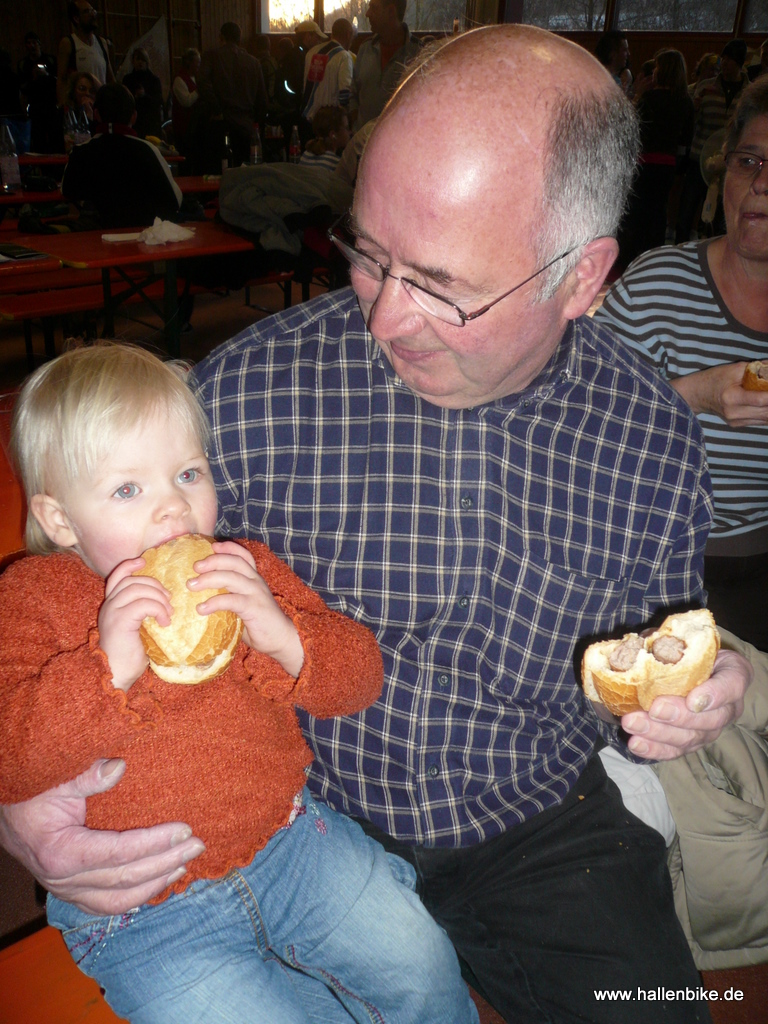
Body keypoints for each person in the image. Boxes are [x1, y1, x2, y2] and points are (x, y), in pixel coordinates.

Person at [0, 27, 753, 1024]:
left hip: (537, 828)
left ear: (581, 277)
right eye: (368, 253)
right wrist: (19, 804)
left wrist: (689, 693)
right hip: (293, 817)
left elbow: (649, 649)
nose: (386, 317)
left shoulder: (648, 438)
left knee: (655, 1006)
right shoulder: (246, 392)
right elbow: (63, 598)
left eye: (441, 286)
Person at [0, 342, 479, 1024]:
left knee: (421, 964)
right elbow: (10, 759)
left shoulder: (241, 568)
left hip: (293, 845)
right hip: (144, 915)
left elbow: (359, 681)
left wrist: (281, 635)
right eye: (129, 489)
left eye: (188, 473)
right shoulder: (30, 598)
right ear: (58, 519)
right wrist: (106, 668)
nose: (174, 508)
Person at [594, 76, 768, 653]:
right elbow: (576, 412)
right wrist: (697, 394)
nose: (761, 184)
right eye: (749, 161)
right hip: (642, 569)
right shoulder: (659, 284)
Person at [61, 82, 181, 228]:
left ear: (96, 114)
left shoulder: (80, 152)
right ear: (134, 116)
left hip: (95, 236)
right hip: (142, 234)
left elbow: (66, 191)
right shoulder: (147, 150)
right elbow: (175, 199)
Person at [618, 49, 694, 266]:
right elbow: (685, 140)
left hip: (643, 161)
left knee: (636, 213)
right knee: (658, 212)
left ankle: (628, 259)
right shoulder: (685, 101)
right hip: (667, 165)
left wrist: (637, 96)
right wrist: (679, 167)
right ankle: (653, 259)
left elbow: (631, 128)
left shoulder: (649, 98)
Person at [676, 38, 749, 243]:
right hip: (698, 158)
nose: (724, 64)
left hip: (729, 163)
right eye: (723, 59)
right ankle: (679, 248)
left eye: (730, 60)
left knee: (720, 218)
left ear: (739, 63)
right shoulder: (706, 87)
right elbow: (690, 121)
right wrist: (695, 108)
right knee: (686, 211)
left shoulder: (748, 92)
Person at [199, 21, 267, 168]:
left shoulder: (211, 56)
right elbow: (262, 99)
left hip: (220, 124)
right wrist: (256, 124)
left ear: (221, 37)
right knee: (244, 172)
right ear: (239, 38)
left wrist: (216, 109)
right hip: (246, 126)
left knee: (218, 172)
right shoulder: (254, 63)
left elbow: (203, 84)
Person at [349, 0, 420, 130]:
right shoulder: (365, 49)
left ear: (391, 11)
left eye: (374, 8)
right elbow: (352, 93)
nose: (367, 14)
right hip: (362, 140)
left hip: (399, 139)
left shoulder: (418, 53)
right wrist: (356, 124)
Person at [57, 0, 114, 109]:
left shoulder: (102, 43)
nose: (93, 15)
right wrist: (64, 106)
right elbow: (62, 79)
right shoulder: (68, 43)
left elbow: (110, 76)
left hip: (101, 105)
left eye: (93, 11)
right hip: (80, 106)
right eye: (87, 12)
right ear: (76, 19)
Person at [299, 18, 355, 128]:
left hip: (307, 117)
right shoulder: (344, 56)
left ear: (333, 33)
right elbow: (345, 93)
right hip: (330, 122)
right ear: (348, 35)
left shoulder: (311, 52)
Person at [17, 32, 61, 154]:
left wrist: (46, 75)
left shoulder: (50, 60)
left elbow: (59, 81)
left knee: (54, 138)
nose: (31, 46)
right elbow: (22, 88)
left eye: (34, 42)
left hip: (51, 105)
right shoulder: (23, 64)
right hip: (35, 107)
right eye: (28, 43)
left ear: (39, 44)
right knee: (38, 140)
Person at [122, 46, 164, 140]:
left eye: (143, 59)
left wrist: (144, 96)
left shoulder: (154, 80)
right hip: (134, 122)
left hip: (150, 123)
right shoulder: (128, 80)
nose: (140, 62)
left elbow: (158, 101)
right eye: (138, 59)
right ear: (133, 61)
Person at [299, 105, 350, 172]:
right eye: (346, 128)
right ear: (333, 135)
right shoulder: (336, 164)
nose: (350, 132)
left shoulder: (306, 155)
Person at [170, 47, 200, 156]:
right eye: (197, 62)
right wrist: (199, 90)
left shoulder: (195, 78)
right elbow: (187, 101)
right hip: (184, 129)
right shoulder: (179, 80)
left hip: (195, 128)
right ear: (189, 62)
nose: (199, 65)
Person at [595, 29, 632, 94]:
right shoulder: (604, 81)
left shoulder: (622, 77)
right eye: (624, 50)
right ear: (612, 54)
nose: (628, 53)